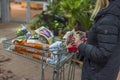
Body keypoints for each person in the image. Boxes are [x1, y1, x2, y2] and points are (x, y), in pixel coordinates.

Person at [73, 0, 120, 80]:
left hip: (98, 73)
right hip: (106, 70)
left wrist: (80, 45)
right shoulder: (113, 13)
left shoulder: (109, 19)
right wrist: (88, 34)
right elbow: (109, 37)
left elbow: (103, 53)